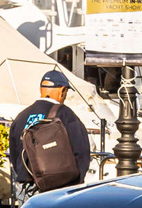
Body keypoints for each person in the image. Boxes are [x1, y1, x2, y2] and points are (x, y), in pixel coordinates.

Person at [9, 69, 92, 200]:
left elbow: (14, 154)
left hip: (25, 186)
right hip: (58, 186)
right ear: (62, 91)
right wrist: (77, 183)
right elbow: (81, 151)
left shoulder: (21, 117)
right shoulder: (65, 114)